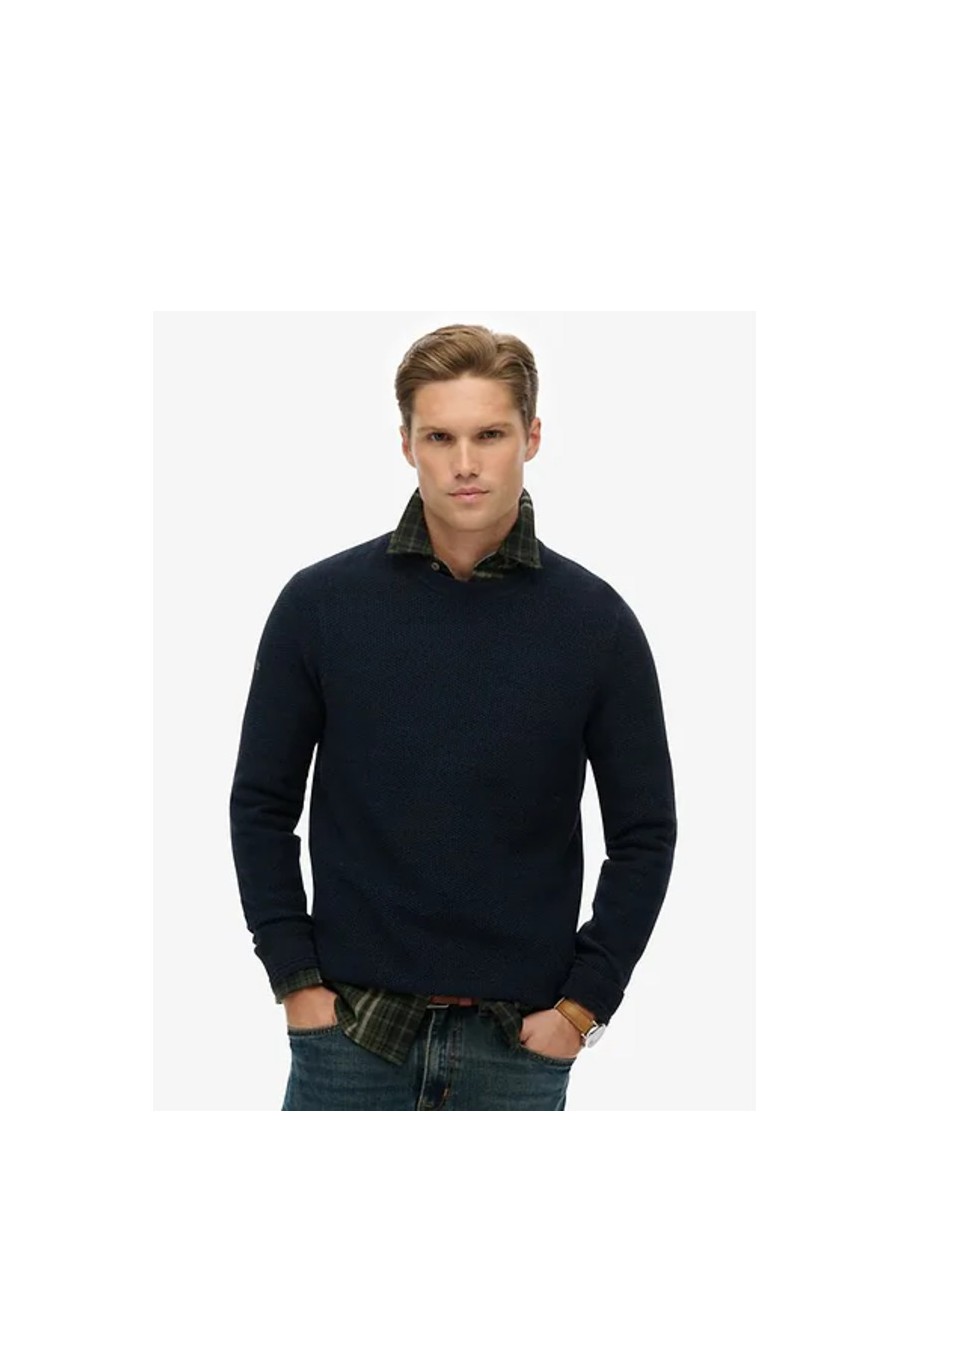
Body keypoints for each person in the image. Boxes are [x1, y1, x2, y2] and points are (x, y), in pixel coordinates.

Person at [229, 323, 677, 1110]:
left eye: (489, 435)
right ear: (406, 444)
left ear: (531, 438)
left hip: (516, 1049)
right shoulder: (321, 606)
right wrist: (294, 979)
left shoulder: (596, 624)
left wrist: (583, 1006)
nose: (465, 463)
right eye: (440, 436)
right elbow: (262, 803)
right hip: (350, 1039)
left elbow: (644, 832)